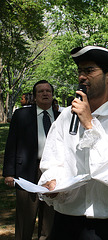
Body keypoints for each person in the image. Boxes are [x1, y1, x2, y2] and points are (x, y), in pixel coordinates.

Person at [37, 45, 108, 240]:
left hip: (106, 223)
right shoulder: (65, 116)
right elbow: (53, 161)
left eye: (89, 71)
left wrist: (90, 124)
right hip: (66, 218)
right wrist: (53, 182)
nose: (82, 76)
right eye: (80, 71)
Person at [3, 80, 60, 240]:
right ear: (34, 97)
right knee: (25, 216)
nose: (45, 93)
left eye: (48, 91)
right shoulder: (21, 115)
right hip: (26, 170)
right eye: (40, 91)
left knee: (50, 217)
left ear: (52, 95)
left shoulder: (61, 118)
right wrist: (9, 172)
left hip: (52, 173)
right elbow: (11, 143)